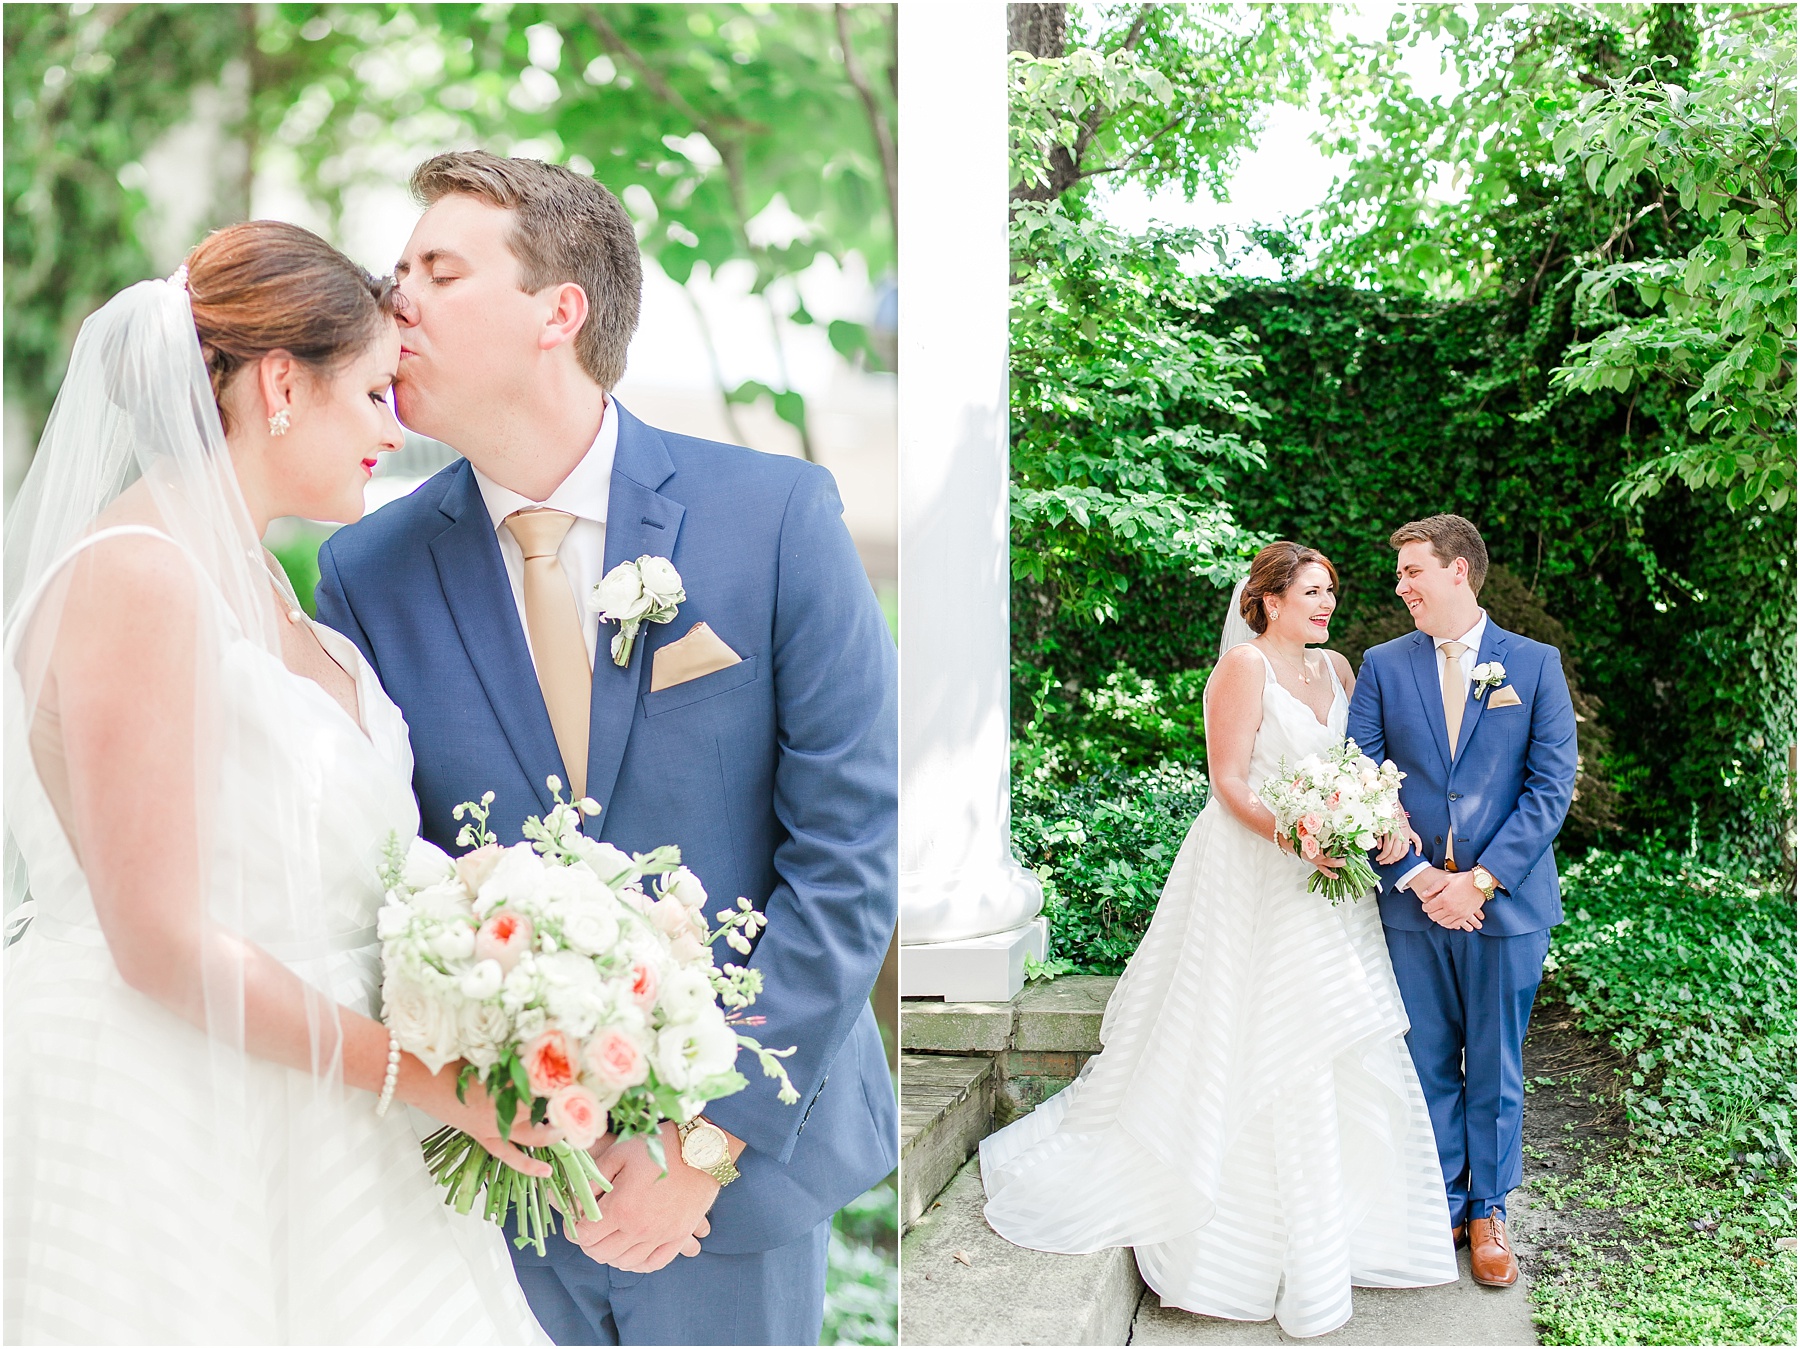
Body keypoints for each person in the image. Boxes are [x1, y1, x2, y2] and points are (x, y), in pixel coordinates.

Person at [313, 151, 898, 1347]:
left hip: (739, 1177)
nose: (396, 299)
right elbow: (382, 872)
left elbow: (847, 854)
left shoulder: (777, 516)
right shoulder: (365, 573)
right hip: (495, 1185)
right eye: (396, 269)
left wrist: (704, 1134)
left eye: (439, 268)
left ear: (557, 310)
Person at [3, 221, 552, 1343]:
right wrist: (428, 1078)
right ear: (281, 385)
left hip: (329, 1116)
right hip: (174, 1120)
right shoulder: (139, 576)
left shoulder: (256, 574)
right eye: (373, 394)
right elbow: (158, 940)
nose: (392, 434)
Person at [980, 541, 1457, 1339]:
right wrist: (1297, 837)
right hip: (1259, 869)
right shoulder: (1243, 672)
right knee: (1256, 1034)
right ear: (1268, 599)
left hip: (1332, 884)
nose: (1326, 602)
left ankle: (1340, 1232)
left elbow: (1364, 765)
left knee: (1333, 1035)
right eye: (1312, 589)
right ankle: (1244, 1240)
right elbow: (1229, 782)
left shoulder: (1340, 671)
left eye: (1330, 589)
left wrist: (1375, 812)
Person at [1346, 514, 1577, 1288]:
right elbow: (1361, 775)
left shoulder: (1535, 665)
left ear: (1459, 572)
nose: (1401, 584)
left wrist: (1477, 881)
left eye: (1413, 570)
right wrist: (1416, 874)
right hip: (1412, 904)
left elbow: (1550, 790)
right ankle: (1439, 1199)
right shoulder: (1382, 665)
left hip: (1504, 906)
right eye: (1401, 572)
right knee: (1426, 1059)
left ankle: (1488, 1211)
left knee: (1500, 1061)